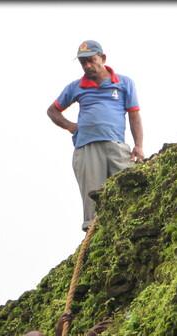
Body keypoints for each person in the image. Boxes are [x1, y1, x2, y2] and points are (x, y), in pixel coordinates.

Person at [48, 40, 145, 231]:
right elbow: (53, 111)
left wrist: (138, 146)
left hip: (116, 144)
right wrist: (71, 127)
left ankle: (127, 232)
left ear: (102, 58)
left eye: (91, 60)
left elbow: (134, 116)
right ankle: (93, 240)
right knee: (93, 200)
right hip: (87, 147)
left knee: (127, 190)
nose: (88, 66)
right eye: (83, 63)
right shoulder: (76, 87)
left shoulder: (124, 83)